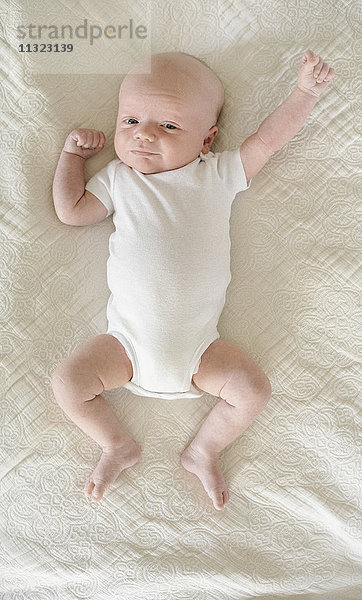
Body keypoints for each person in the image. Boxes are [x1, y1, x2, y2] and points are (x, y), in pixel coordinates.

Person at [51, 50, 335, 511]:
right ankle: (115, 444)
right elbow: (72, 211)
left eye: (168, 126)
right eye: (130, 120)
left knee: (254, 391)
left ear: (207, 140)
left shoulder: (218, 174)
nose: (143, 133)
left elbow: (268, 141)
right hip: (123, 344)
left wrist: (304, 93)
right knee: (68, 383)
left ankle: (204, 449)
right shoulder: (120, 178)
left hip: (202, 349)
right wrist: (71, 158)